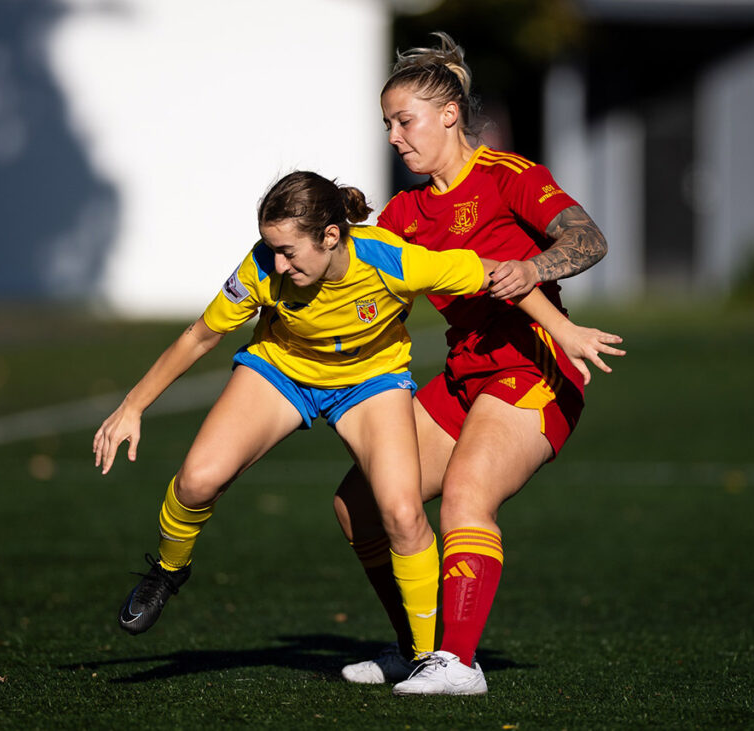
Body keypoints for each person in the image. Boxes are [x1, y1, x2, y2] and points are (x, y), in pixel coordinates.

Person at [93, 171, 622, 670]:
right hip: (281, 370)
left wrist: (564, 331)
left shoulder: (393, 259)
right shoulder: (260, 268)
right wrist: (133, 406)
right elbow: (200, 336)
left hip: (370, 382)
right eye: (271, 249)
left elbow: (494, 274)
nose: (277, 264)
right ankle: (168, 571)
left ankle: (425, 659)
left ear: (330, 236)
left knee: (403, 515)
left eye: (288, 251)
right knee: (197, 481)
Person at [334, 32, 617, 695]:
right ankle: (418, 647)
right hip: (464, 373)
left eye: (404, 121)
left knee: (467, 495)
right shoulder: (403, 213)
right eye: (387, 125)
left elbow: (589, 238)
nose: (394, 137)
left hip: (533, 368)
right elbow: (357, 279)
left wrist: (535, 268)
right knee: (359, 503)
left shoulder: (508, 176)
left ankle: (458, 663)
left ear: (449, 114)